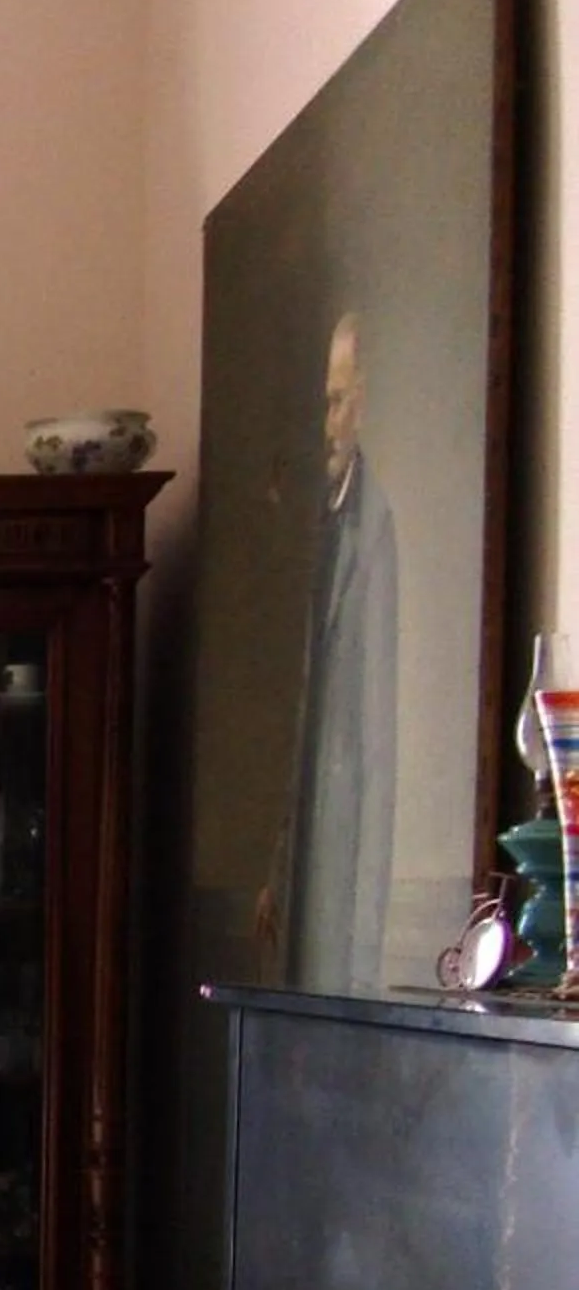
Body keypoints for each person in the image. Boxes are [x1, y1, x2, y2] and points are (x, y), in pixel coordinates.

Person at [270, 311, 399, 992]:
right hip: (311, 858)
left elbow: (375, 751)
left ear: (366, 400)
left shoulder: (372, 531)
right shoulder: (324, 519)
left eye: (339, 400)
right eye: (326, 401)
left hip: (340, 858)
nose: (328, 422)